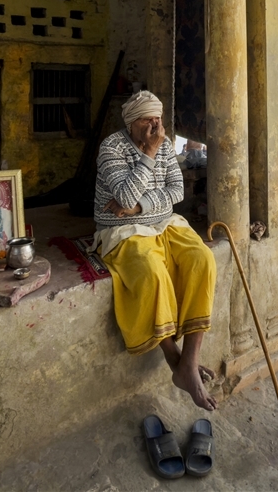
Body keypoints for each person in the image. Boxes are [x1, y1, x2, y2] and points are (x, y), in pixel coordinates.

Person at [94, 90, 218, 409]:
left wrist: (139, 208)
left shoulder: (165, 143)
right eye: (148, 120)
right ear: (132, 123)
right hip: (120, 228)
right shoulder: (112, 147)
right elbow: (123, 196)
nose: (156, 126)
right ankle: (177, 362)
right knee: (152, 273)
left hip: (162, 222)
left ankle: (190, 360)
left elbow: (176, 191)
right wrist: (148, 153)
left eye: (158, 120)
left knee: (202, 259)